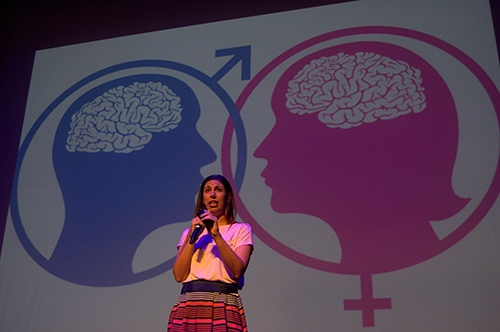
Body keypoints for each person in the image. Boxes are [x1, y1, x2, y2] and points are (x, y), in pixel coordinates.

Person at [168, 174, 253, 332]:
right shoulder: (189, 232)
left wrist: (216, 235)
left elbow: (237, 271)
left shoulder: (241, 229)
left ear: (227, 197)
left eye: (218, 190)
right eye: (207, 190)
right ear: (202, 198)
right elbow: (179, 275)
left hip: (222, 302)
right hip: (189, 303)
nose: (212, 194)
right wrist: (192, 236)